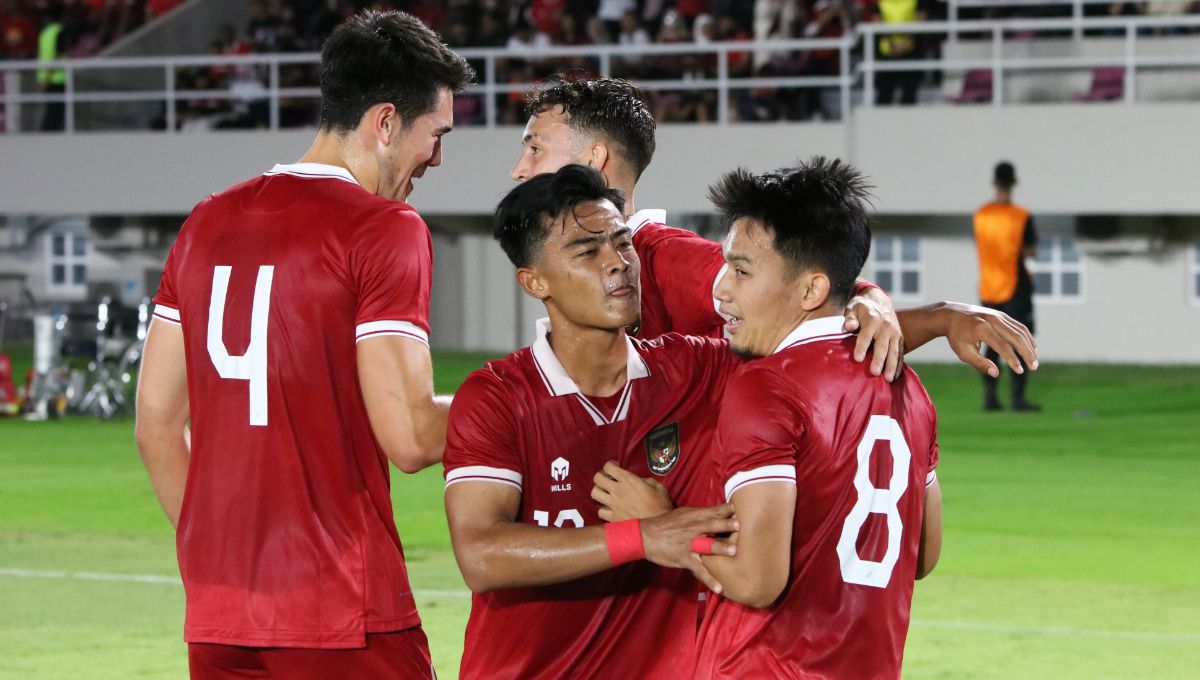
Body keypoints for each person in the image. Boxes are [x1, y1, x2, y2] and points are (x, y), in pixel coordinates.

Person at [445, 165, 1037, 680]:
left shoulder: (698, 369)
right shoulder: (497, 397)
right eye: (587, 251)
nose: (618, 264)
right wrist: (647, 537)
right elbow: (481, 555)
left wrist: (923, 314)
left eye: (622, 243)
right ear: (535, 282)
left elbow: (815, 349)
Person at [134, 11, 472, 679]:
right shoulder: (384, 228)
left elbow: (156, 426)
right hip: (341, 610)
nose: (437, 157)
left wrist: (220, 556)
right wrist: (532, 401)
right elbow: (409, 437)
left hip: (222, 615)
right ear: (384, 123)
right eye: (435, 134)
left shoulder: (206, 221)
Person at [690, 158, 942, 679]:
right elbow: (923, 555)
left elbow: (757, 580)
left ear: (810, 291)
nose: (720, 288)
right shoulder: (908, 387)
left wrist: (672, 531)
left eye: (741, 269)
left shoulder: (766, 384)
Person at [510, 76, 909, 379]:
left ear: (593, 159)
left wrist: (869, 297)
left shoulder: (665, 256)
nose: (519, 170)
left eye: (535, 148)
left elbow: (804, 296)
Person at [974, 160, 1040, 412]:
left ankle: (990, 398)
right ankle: (1018, 398)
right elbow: (1030, 251)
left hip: (989, 287)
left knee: (991, 341)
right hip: (1015, 285)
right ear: (1014, 183)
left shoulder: (981, 215)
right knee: (1019, 338)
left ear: (994, 182)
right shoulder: (1020, 217)